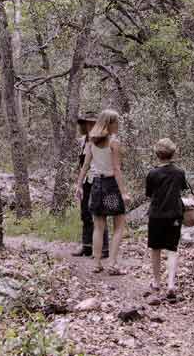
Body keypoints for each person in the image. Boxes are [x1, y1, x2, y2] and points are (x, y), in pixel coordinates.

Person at [76, 109, 130, 275]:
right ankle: (112, 264)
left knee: (98, 226)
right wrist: (123, 193)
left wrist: (79, 185)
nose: (118, 125)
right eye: (116, 122)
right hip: (111, 187)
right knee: (119, 225)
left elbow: (85, 166)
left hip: (97, 186)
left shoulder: (91, 141)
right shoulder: (114, 142)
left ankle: (97, 263)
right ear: (110, 123)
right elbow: (116, 169)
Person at [145, 138, 189, 299]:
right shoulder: (179, 172)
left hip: (156, 214)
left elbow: (149, 194)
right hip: (175, 214)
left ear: (157, 154)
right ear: (173, 153)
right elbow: (182, 189)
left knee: (155, 249)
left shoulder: (152, 173)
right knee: (172, 249)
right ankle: (171, 284)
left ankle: (156, 282)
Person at [72, 111, 109, 258]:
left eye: (92, 123)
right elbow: (82, 164)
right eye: (87, 123)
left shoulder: (103, 140)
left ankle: (103, 248)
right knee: (85, 213)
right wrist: (79, 183)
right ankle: (87, 246)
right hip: (86, 180)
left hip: (99, 179)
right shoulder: (83, 141)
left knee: (99, 214)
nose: (89, 125)